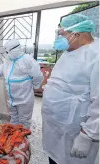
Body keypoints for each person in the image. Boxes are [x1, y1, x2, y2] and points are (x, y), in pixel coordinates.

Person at [42, 14, 99, 164]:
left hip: (74, 130)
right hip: (56, 125)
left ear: (77, 34)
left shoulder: (96, 56)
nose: (58, 39)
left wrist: (87, 134)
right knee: (54, 158)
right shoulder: (70, 51)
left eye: (62, 34)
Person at [0, 39, 43, 128]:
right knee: (14, 119)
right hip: (11, 99)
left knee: (24, 121)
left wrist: (35, 86)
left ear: (15, 50)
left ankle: (23, 139)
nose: (7, 54)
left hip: (24, 99)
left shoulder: (27, 60)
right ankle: (14, 137)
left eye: (8, 51)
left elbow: (38, 76)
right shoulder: (8, 60)